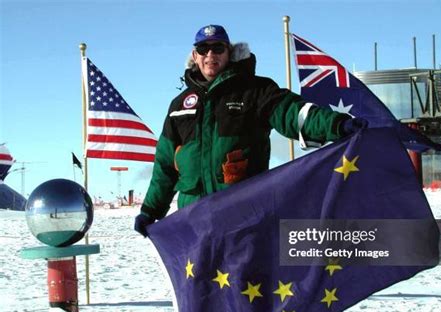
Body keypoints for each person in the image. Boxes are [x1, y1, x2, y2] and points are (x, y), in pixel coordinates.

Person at [135, 24, 366, 237]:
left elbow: (293, 113)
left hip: (242, 222)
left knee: (245, 281)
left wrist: (337, 124)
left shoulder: (255, 91)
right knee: (201, 283)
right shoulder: (179, 105)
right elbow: (165, 165)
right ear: (195, 56)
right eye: (203, 49)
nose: (210, 55)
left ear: (230, 52)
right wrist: (150, 210)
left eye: (218, 48)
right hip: (194, 225)